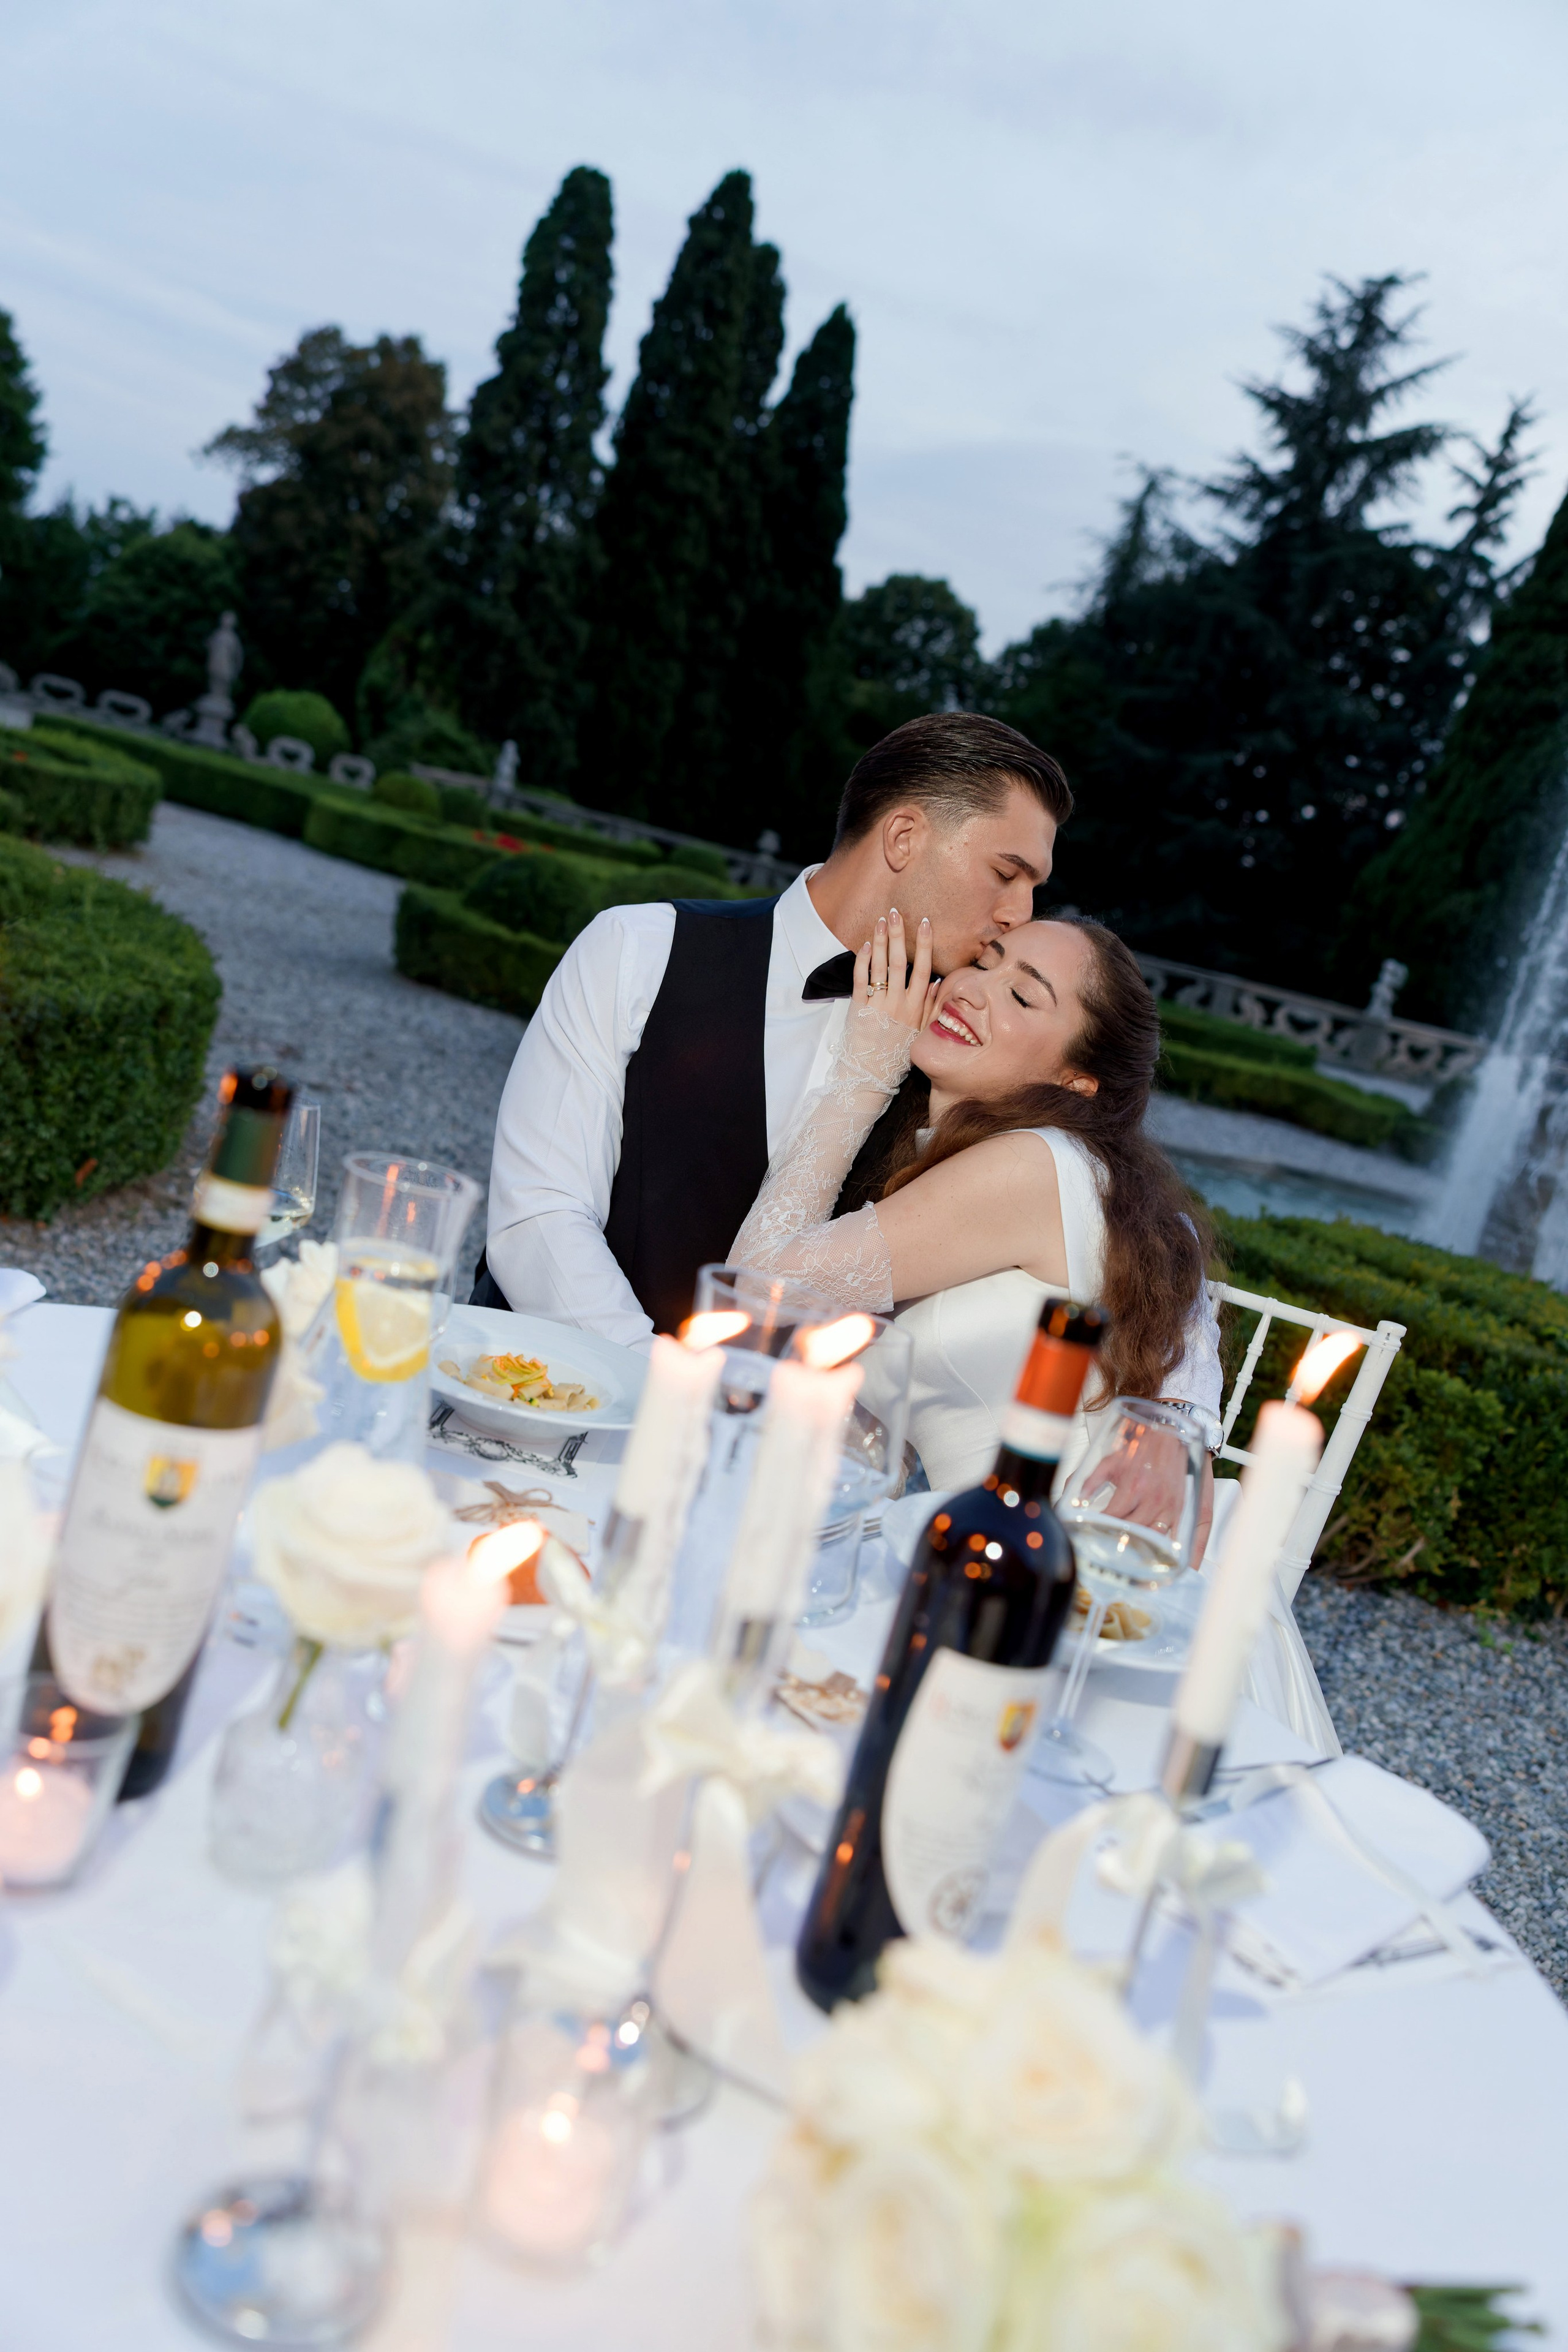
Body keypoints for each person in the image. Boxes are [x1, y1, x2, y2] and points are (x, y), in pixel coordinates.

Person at [478, 712, 1070, 1340]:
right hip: (534, 1381)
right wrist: (649, 1373)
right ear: (903, 838)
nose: (1021, 913)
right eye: (1006, 874)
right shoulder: (639, 947)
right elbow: (538, 1217)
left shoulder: (958, 1059)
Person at [729, 904, 1223, 1496]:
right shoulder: (990, 1163)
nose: (970, 989)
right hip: (968, 1523)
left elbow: (757, 1287)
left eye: (1021, 996)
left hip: (1069, 1531)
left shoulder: (1031, 1164)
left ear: (1075, 1082)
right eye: (985, 964)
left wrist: (861, 1074)